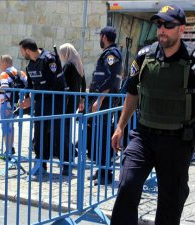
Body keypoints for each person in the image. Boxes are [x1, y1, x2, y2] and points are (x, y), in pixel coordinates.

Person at [111, 5, 195, 225]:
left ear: (181, 29)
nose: (162, 29)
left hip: (178, 140)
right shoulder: (144, 57)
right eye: (159, 24)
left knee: (170, 204)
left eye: (168, 25)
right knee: (126, 186)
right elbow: (132, 93)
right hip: (143, 136)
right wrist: (120, 127)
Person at [19, 38, 69, 176]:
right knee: (39, 134)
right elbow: (30, 85)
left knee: (58, 133)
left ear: (28, 50)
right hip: (41, 104)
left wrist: (34, 97)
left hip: (56, 102)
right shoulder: (30, 65)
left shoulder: (49, 59)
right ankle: (41, 163)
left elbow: (53, 84)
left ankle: (66, 164)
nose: (21, 53)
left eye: (22, 50)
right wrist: (27, 98)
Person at [86, 26, 123, 185]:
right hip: (102, 100)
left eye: (99, 37)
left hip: (105, 101)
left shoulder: (111, 54)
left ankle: (105, 173)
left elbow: (111, 78)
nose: (99, 40)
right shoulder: (109, 53)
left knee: (103, 135)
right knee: (99, 135)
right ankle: (101, 169)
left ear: (104, 37)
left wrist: (100, 99)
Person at [59, 43, 86, 157]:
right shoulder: (79, 65)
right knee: (67, 125)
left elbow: (63, 83)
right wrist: (82, 100)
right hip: (75, 100)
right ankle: (69, 150)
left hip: (67, 100)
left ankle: (67, 152)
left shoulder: (68, 65)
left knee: (63, 126)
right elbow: (84, 85)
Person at [0, 54, 27, 160]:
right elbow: (28, 85)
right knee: (11, 126)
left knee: (6, 127)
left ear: (5, 62)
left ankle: (8, 151)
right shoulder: (21, 73)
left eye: (0, 63)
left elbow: (5, 87)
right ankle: (11, 148)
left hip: (7, 103)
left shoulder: (4, 74)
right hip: (18, 104)